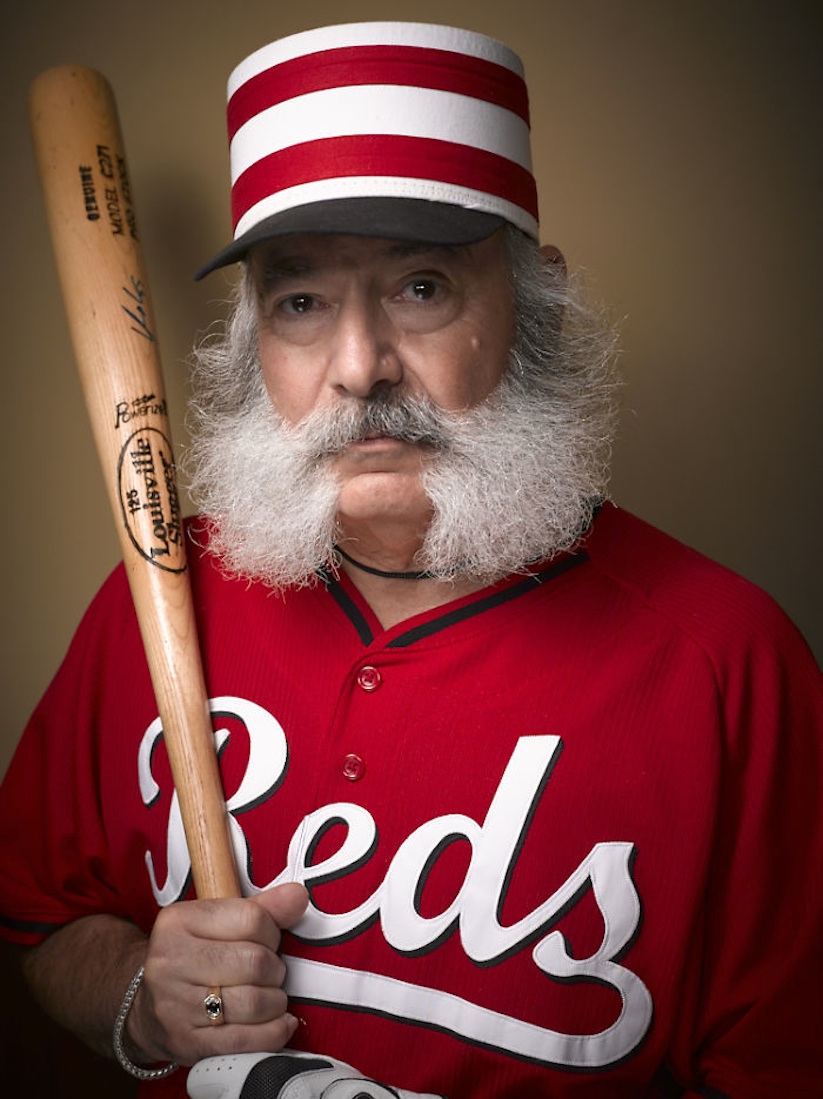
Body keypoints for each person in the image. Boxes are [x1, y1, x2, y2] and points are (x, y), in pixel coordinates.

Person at [1, 20, 821, 1099]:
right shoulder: (163, 588)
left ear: (532, 301)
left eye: (421, 286)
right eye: (299, 300)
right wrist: (142, 1005)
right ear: (253, 340)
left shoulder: (728, 661)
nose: (358, 366)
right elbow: (42, 915)